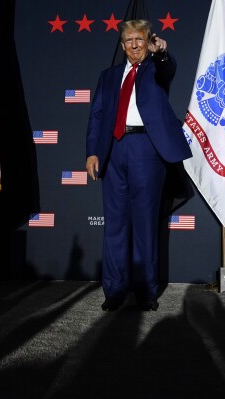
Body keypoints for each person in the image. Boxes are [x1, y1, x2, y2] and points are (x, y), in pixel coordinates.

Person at [85, 19, 192, 312]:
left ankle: (146, 290)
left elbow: (168, 67)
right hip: (113, 150)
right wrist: (92, 152)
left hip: (146, 149)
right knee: (115, 225)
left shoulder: (156, 70)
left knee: (145, 223)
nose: (134, 45)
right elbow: (96, 116)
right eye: (129, 40)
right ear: (122, 45)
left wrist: (161, 53)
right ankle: (115, 289)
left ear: (148, 42)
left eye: (140, 40)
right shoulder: (108, 76)